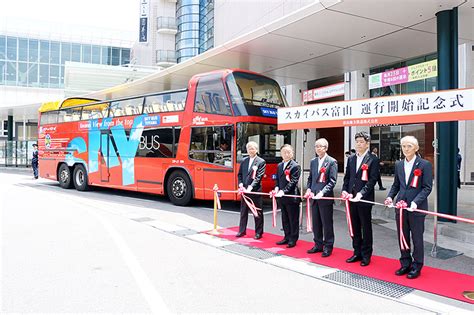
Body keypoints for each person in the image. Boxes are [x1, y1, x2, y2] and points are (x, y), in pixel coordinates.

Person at [385, 136, 433, 279]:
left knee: (417, 238)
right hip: (401, 207)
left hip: (415, 208)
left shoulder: (424, 164)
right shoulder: (399, 164)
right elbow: (396, 185)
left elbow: (427, 188)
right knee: (402, 236)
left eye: (409, 146)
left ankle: (417, 266)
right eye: (404, 146)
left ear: (416, 148)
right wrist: (390, 197)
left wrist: (415, 202)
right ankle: (405, 263)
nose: (406, 149)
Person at [342, 131, 379, 266]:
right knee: (354, 226)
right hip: (351, 198)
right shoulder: (351, 158)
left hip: (364, 199)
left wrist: (361, 193)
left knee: (365, 227)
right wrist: (345, 191)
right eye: (357, 141)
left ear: (367, 144)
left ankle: (366, 254)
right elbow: (347, 177)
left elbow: (372, 180)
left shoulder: (372, 159)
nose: (358, 144)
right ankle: (356, 251)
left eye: (361, 142)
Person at [305, 138, 337, 257]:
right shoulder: (313, 161)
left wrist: (322, 192)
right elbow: (310, 178)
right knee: (316, 222)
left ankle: (328, 246)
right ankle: (318, 244)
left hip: (325, 198)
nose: (318, 148)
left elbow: (332, 181)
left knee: (326, 223)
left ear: (326, 148)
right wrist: (309, 189)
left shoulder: (332, 161)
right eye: (316, 146)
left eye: (321, 146)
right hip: (314, 197)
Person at [236, 141, 266, 239]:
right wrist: (240, 184)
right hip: (244, 190)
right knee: (243, 211)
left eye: (252, 148)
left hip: (255, 190)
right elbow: (239, 174)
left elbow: (258, 177)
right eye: (249, 148)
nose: (250, 150)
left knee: (257, 212)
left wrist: (251, 187)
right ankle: (242, 230)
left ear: (256, 150)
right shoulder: (244, 161)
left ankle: (258, 232)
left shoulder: (261, 161)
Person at [274, 144, 301, 248]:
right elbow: (277, 179)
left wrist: (283, 191)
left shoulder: (295, 166)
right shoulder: (280, 165)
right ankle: (286, 236)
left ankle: (293, 239)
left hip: (291, 196)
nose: (286, 154)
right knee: (284, 218)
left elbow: (293, 182)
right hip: (282, 197)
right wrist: (276, 188)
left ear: (292, 153)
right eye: (284, 152)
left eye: (288, 152)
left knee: (293, 219)